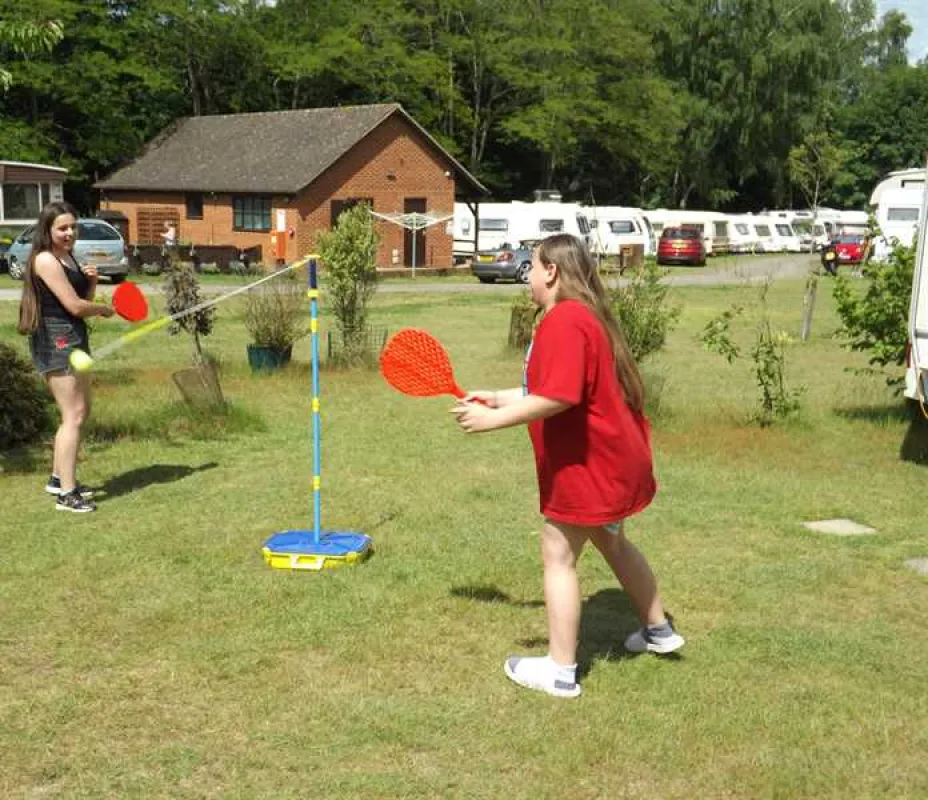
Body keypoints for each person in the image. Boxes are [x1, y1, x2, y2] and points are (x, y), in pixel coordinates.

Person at [451, 233, 684, 698]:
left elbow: (560, 396)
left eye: (532, 267)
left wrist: (492, 420)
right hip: (614, 460)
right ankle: (659, 631)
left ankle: (560, 670)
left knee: (557, 555)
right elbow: (553, 385)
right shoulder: (585, 317)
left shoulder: (564, 320)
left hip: (588, 465)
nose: (529, 277)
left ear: (552, 272)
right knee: (613, 542)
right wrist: (498, 396)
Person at [17, 201, 115, 513]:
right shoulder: (45, 259)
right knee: (71, 415)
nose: (70, 232)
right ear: (48, 230)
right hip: (56, 341)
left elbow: (78, 301)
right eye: (62, 228)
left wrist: (93, 282)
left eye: (73, 227)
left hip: (74, 337)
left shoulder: (68, 257)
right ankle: (67, 496)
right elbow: (74, 307)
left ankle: (59, 479)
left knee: (81, 411)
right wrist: (103, 308)